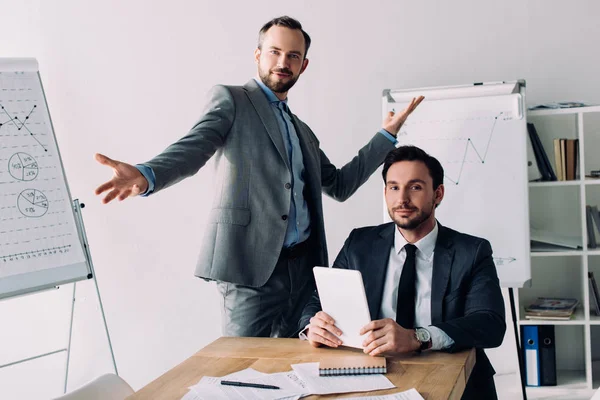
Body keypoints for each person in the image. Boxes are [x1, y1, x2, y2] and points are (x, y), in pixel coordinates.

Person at [94, 16, 424, 338]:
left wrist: (386, 136)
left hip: (304, 273)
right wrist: (148, 173)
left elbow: (339, 185)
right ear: (257, 55)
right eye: (274, 52)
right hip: (249, 269)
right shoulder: (233, 100)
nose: (283, 62)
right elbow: (196, 146)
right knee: (243, 372)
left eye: (293, 56)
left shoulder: (302, 131)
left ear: (303, 65)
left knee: (298, 371)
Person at [300, 145, 506, 399]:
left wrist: (418, 337)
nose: (402, 199)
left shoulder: (472, 251)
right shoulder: (360, 243)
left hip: (453, 381)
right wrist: (312, 326)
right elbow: (318, 301)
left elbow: (490, 323)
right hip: (373, 382)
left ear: (438, 194)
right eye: (394, 187)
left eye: (415, 187)